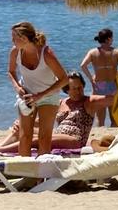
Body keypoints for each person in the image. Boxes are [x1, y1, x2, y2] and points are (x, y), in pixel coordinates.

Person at [7, 21, 71, 158]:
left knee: (44, 137)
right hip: (27, 97)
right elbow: (11, 72)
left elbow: (64, 79)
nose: (12, 41)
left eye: (14, 38)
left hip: (48, 96)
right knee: (25, 136)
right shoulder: (15, 52)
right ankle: (26, 174)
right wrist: (18, 88)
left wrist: (41, 95)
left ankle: (42, 177)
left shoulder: (46, 53)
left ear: (24, 39)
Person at [1, 88, 94, 154]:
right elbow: (43, 120)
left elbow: (106, 99)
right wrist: (22, 123)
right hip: (57, 135)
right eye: (74, 88)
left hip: (74, 139)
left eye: (80, 87)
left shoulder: (88, 102)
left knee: (35, 139)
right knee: (22, 131)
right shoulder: (62, 103)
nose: (78, 91)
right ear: (67, 90)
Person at [82, 28, 118, 125]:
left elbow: (83, 66)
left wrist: (91, 79)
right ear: (108, 39)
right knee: (114, 117)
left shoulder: (93, 52)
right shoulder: (116, 52)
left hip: (99, 85)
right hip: (113, 85)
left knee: (100, 119)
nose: (112, 40)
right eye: (112, 38)